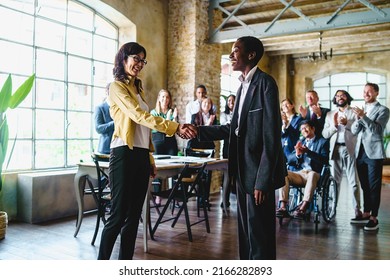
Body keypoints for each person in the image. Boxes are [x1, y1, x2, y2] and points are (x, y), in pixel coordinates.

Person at [97, 42, 196, 260]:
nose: (139, 64)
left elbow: (143, 130)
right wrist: (174, 127)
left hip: (141, 155)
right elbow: (138, 116)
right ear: (124, 58)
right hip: (123, 153)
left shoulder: (138, 87)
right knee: (118, 215)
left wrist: (149, 156)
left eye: (143, 60)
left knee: (134, 217)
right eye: (136, 59)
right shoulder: (116, 87)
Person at [197, 36, 286, 260]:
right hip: (242, 172)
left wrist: (262, 180)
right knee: (246, 236)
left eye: (236, 50)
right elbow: (232, 128)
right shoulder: (241, 87)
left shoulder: (266, 84)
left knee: (260, 237)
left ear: (251, 55)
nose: (231, 55)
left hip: (258, 175)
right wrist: (197, 130)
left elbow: (272, 136)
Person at [351, 82, 389, 231]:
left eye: (369, 92)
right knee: (365, 185)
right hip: (360, 152)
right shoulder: (363, 109)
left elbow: (377, 130)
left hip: (374, 153)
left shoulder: (383, 110)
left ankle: (374, 217)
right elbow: (354, 130)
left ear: (376, 93)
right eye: (364, 92)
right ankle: (366, 213)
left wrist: (363, 117)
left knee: (374, 186)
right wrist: (359, 118)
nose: (366, 94)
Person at [322, 90, 362, 222]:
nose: (340, 98)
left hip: (349, 148)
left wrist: (347, 124)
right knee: (335, 182)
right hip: (335, 150)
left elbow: (357, 129)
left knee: (353, 181)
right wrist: (334, 126)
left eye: (342, 95)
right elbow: (324, 134)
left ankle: (357, 210)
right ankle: (332, 209)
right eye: (337, 96)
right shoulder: (329, 114)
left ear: (347, 97)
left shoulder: (354, 112)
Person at [276, 120, 329, 219]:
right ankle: (283, 207)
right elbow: (290, 158)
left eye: (306, 127)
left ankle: (303, 208)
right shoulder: (301, 141)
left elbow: (324, 160)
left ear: (313, 128)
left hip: (315, 173)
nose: (303, 130)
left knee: (312, 174)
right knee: (284, 173)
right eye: (302, 129)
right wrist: (297, 154)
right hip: (300, 173)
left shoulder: (323, 142)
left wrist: (308, 152)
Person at [187, 97, 218, 208]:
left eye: (209, 103)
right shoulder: (194, 116)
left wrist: (211, 124)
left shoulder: (214, 117)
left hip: (209, 148)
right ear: (201, 104)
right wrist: (207, 125)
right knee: (199, 174)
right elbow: (193, 133)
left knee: (207, 174)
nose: (207, 104)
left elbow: (216, 133)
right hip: (196, 148)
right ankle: (195, 197)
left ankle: (204, 198)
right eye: (205, 102)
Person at [150, 89, 179, 205]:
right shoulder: (154, 112)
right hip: (158, 140)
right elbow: (158, 127)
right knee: (158, 168)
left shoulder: (172, 112)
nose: (165, 99)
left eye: (167, 97)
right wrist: (168, 121)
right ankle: (158, 195)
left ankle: (175, 195)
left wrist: (175, 118)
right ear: (159, 98)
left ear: (169, 99)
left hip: (170, 141)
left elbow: (175, 128)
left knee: (175, 167)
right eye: (162, 97)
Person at [220, 94, 236, 208]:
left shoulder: (239, 113)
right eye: (229, 100)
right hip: (227, 145)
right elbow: (225, 127)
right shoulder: (223, 114)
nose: (231, 102)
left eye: (233, 100)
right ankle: (225, 201)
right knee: (227, 173)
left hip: (238, 145)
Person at [94, 83, 114, 154]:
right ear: (107, 92)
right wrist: (115, 123)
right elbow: (98, 128)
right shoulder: (99, 108)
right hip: (105, 149)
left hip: (119, 148)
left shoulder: (120, 108)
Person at [280, 98, 301, 167]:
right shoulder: (279, 120)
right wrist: (283, 126)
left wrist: (287, 124)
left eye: (287, 104)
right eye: (283, 105)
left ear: (292, 106)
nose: (285, 106)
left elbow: (295, 133)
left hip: (292, 146)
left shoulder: (298, 119)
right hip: (281, 148)